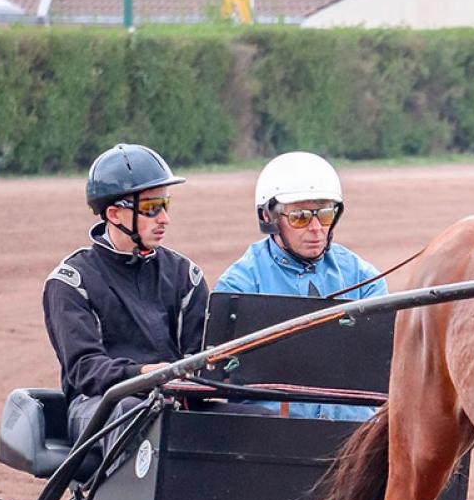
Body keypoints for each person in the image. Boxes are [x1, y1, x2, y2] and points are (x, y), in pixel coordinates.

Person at [43, 143, 209, 448]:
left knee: (253, 416)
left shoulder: (185, 275)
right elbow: (85, 369)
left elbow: (200, 353)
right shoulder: (72, 281)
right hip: (100, 404)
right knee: (133, 411)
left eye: (165, 206)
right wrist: (145, 374)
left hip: (171, 398)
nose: (164, 219)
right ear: (114, 213)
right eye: (150, 208)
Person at [215, 151, 387, 421]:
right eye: (300, 217)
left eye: (326, 214)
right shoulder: (239, 284)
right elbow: (224, 375)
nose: (317, 228)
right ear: (268, 217)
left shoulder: (365, 279)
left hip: (353, 432)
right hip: (273, 436)